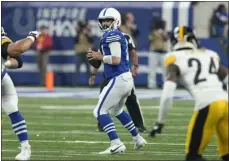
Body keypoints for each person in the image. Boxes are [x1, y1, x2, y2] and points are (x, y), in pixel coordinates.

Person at [150, 26, 228, 161]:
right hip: (226, 102)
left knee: (193, 156)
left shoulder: (174, 58)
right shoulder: (209, 54)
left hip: (207, 104)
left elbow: (168, 93)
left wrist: (160, 121)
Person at [86, 8, 147, 154]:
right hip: (125, 79)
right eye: (103, 21)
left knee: (99, 111)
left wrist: (100, 57)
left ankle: (116, 143)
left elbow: (116, 59)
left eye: (109, 20)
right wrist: (99, 58)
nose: (106, 23)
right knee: (117, 110)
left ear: (116, 21)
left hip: (118, 78)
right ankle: (137, 138)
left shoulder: (112, 35)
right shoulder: (114, 35)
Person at [89, 31, 147, 133]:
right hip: (110, 74)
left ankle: (139, 124)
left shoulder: (124, 36)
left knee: (131, 99)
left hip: (122, 74)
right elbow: (99, 57)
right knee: (103, 99)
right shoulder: (106, 36)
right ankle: (102, 124)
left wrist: (135, 66)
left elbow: (133, 52)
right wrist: (93, 74)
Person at [1, 27, 41, 160]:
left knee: (11, 107)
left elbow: (18, 56)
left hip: (2, 82)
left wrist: (31, 37)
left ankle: (25, 148)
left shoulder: (2, 43)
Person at [148, 17, 168, 88]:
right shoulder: (153, 32)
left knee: (165, 70)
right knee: (152, 70)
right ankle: (151, 85)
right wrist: (155, 33)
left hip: (163, 52)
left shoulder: (165, 32)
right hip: (154, 52)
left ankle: (166, 84)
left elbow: (166, 39)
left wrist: (162, 33)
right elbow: (150, 39)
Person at [75, 20, 94, 85]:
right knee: (77, 69)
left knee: (88, 69)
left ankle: (90, 83)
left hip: (87, 52)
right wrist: (79, 31)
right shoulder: (78, 32)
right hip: (79, 52)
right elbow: (76, 40)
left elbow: (91, 40)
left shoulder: (88, 32)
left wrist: (86, 33)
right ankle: (76, 83)